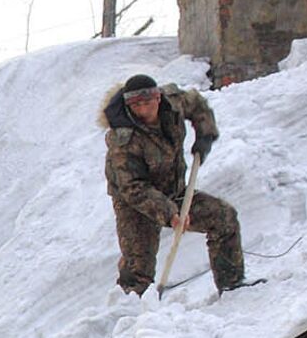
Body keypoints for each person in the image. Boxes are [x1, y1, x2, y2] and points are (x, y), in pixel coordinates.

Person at [100, 74, 251, 295]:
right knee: (138, 270)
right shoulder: (123, 139)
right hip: (135, 204)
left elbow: (198, 106)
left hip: (174, 189)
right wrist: (169, 213)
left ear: (158, 98)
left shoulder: (174, 102)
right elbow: (133, 188)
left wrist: (205, 134)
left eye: (147, 102)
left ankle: (231, 286)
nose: (143, 109)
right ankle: (131, 317)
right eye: (136, 105)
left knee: (223, 218)